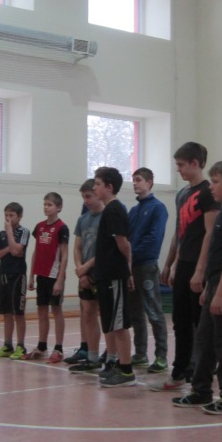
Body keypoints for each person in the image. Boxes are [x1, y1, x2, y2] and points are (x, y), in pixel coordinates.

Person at [172, 162, 222, 415]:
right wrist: (209, 287)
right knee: (204, 339)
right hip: (216, 283)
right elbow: (216, 257)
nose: (211, 187)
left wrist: (220, 293)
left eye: (216, 182)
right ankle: (201, 390)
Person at [152, 142, 218, 391]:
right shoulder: (182, 194)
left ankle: (202, 370)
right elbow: (180, 233)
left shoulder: (208, 192)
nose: (178, 169)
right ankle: (180, 370)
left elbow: (210, 234)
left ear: (195, 163)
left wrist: (201, 270)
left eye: (181, 165)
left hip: (199, 265)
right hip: (183, 264)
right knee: (180, 321)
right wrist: (170, 264)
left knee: (201, 322)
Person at [91, 166, 136, 388]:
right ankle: (119, 364)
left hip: (115, 276)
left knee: (119, 324)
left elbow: (123, 243)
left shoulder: (115, 209)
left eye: (98, 184)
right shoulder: (108, 210)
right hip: (106, 276)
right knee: (112, 323)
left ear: (109, 187)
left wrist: (128, 270)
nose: (94, 188)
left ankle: (126, 370)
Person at [127, 168, 169, 372]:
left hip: (147, 265)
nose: (135, 183)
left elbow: (154, 238)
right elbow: (126, 239)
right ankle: (140, 353)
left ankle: (161, 356)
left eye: (139, 180)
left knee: (153, 310)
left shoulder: (158, 208)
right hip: (131, 267)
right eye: (133, 180)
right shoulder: (134, 211)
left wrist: (132, 254)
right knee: (135, 312)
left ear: (150, 182)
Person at [26, 192, 70, 362]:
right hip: (41, 275)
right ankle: (42, 346)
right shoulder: (39, 227)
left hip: (54, 275)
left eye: (50, 205)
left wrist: (60, 279)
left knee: (56, 310)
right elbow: (36, 251)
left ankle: (58, 348)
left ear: (59, 207)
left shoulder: (62, 228)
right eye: (45, 204)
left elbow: (64, 255)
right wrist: (31, 275)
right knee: (42, 310)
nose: (46, 207)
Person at [67, 179, 105, 373]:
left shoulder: (107, 217)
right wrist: (80, 268)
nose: (86, 201)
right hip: (85, 274)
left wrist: (87, 267)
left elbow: (107, 249)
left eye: (88, 196)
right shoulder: (83, 219)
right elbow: (77, 247)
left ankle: (113, 356)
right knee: (88, 313)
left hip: (101, 273)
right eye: (83, 197)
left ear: (98, 193)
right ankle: (92, 356)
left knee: (106, 315)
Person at [0, 202, 30, 359]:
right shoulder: (1, 234)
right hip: (4, 275)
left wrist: (10, 236)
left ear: (19, 217)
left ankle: (21, 346)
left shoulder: (24, 232)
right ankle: (7, 345)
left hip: (18, 276)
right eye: (6, 215)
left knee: (18, 313)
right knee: (6, 312)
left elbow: (16, 251)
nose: (8, 218)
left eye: (11, 215)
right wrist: (8, 249)